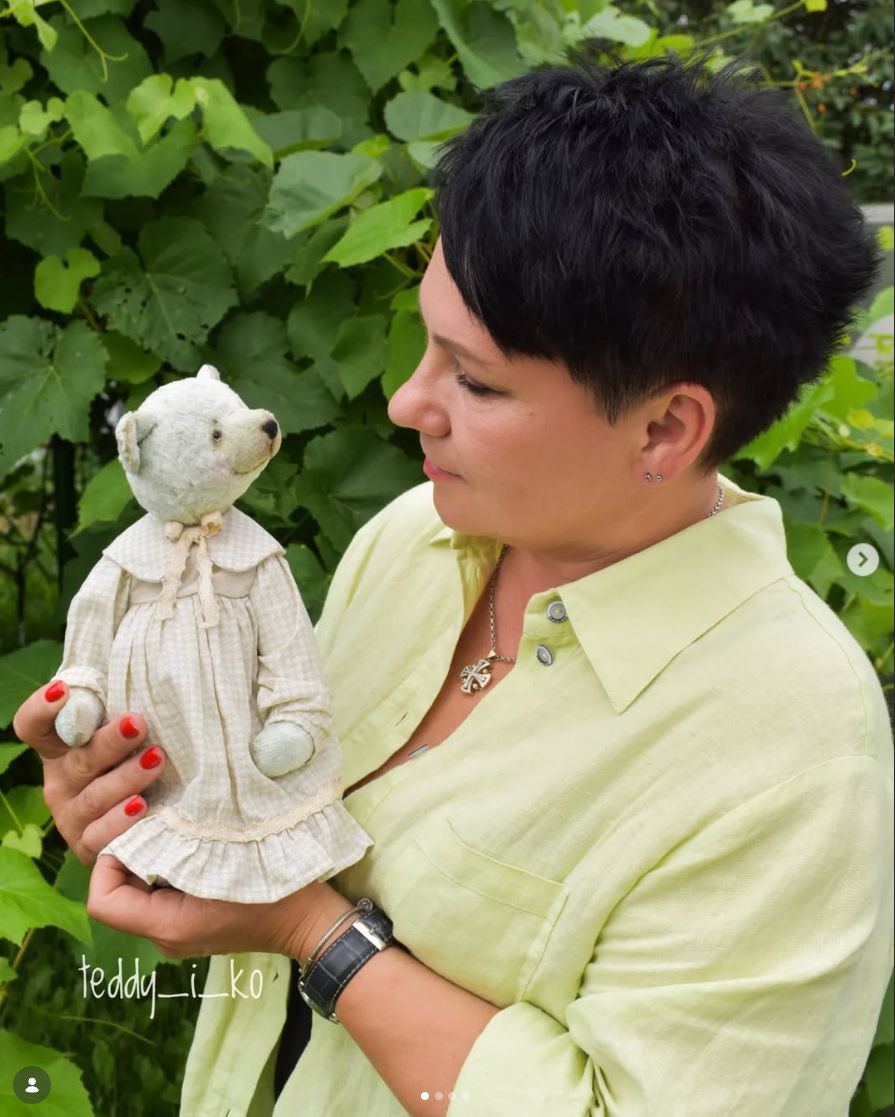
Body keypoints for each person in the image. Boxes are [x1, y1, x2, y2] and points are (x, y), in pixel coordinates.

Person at [13, 53, 893, 1117]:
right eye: (428, 345)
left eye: (473, 379)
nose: (404, 402)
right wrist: (148, 797)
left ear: (665, 427)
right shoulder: (417, 538)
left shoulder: (795, 750)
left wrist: (310, 929)